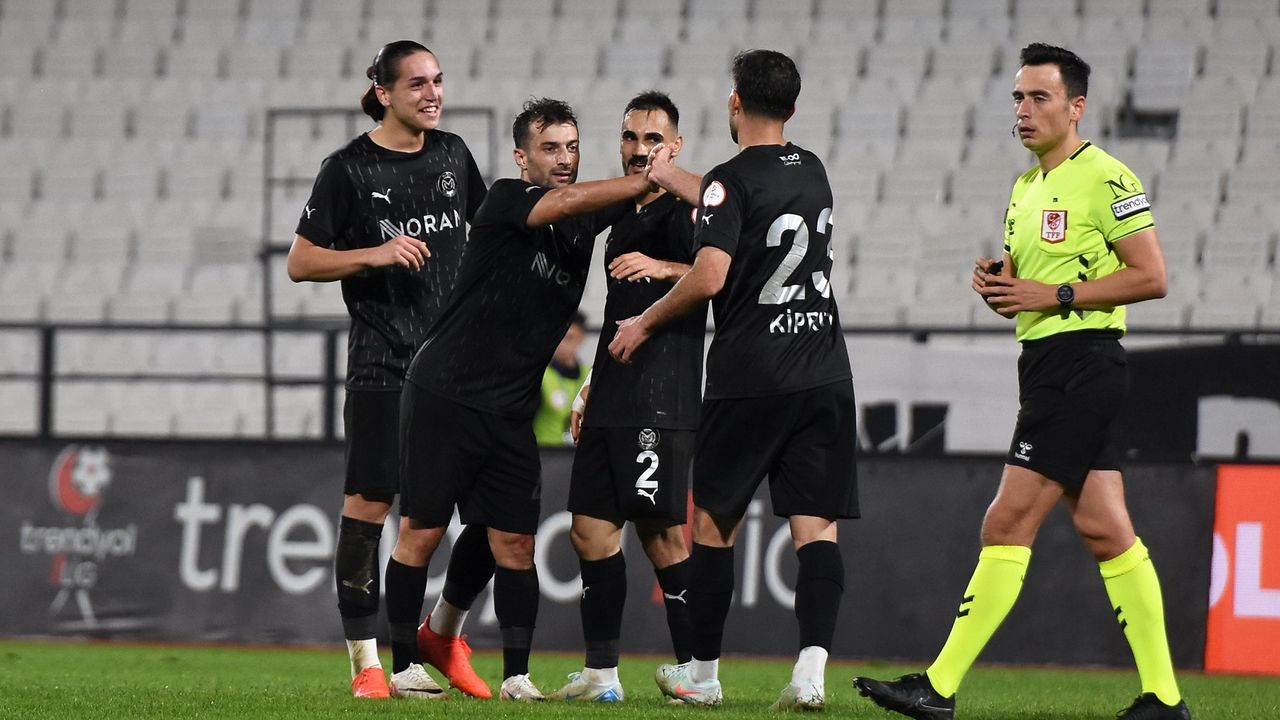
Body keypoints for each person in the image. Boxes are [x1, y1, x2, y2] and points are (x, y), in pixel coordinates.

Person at [852, 43, 1190, 720]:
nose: (1024, 110)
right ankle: (1164, 699)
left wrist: (1054, 294)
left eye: (1040, 97)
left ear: (1076, 106)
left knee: (1005, 522)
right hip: (1046, 366)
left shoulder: (1107, 178)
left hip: (1083, 365)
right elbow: (1027, 292)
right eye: (1018, 97)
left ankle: (938, 687)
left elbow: (1152, 276)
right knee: (1107, 531)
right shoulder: (1025, 187)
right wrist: (1000, 287)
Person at [610, 50, 857, 711]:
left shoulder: (729, 179)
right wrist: (675, 177)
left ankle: (703, 676)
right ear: (792, 108)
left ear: (735, 103)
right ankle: (810, 675)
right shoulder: (812, 169)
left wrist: (644, 324)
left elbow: (711, 273)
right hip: (824, 371)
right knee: (816, 530)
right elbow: (740, 199)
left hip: (751, 376)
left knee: (714, 527)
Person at [384, 97, 654, 702]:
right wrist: (641, 179)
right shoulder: (507, 198)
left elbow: (641, 199)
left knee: (515, 542)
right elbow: (567, 202)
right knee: (421, 534)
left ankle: (516, 677)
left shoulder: (582, 217)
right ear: (521, 157)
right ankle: (403, 667)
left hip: (510, 410)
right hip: (445, 393)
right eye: (550, 147)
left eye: (572, 147)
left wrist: (657, 163)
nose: (564, 159)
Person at [285, 40, 489, 701]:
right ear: (383, 93)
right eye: (418, 83)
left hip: (454, 369)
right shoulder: (347, 169)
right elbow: (301, 261)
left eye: (438, 80)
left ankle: (441, 635)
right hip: (383, 363)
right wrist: (373, 253)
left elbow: (491, 236)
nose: (433, 93)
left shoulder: (453, 154)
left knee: (495, 511)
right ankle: (367, 665)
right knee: (370, 507)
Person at [547, 90, 702, 703]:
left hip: (659, 397)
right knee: (589, 530)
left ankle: (698, 673)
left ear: (676, 146)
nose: (641, 150)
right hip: (613, 392)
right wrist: (591, 384)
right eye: (631, 137)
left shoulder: (689, 211)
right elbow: (618, 310)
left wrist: (663, 269)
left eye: (653, 139)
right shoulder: (624, 212)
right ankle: (601, 676)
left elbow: (726, 277)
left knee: (662, 535)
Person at [533, 312, 590, 446]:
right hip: (545, 452)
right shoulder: (540, 374)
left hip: (578, 452)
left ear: (581, 338)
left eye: (569, 338)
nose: (562, 343)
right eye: (558, 337)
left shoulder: (589, 375)